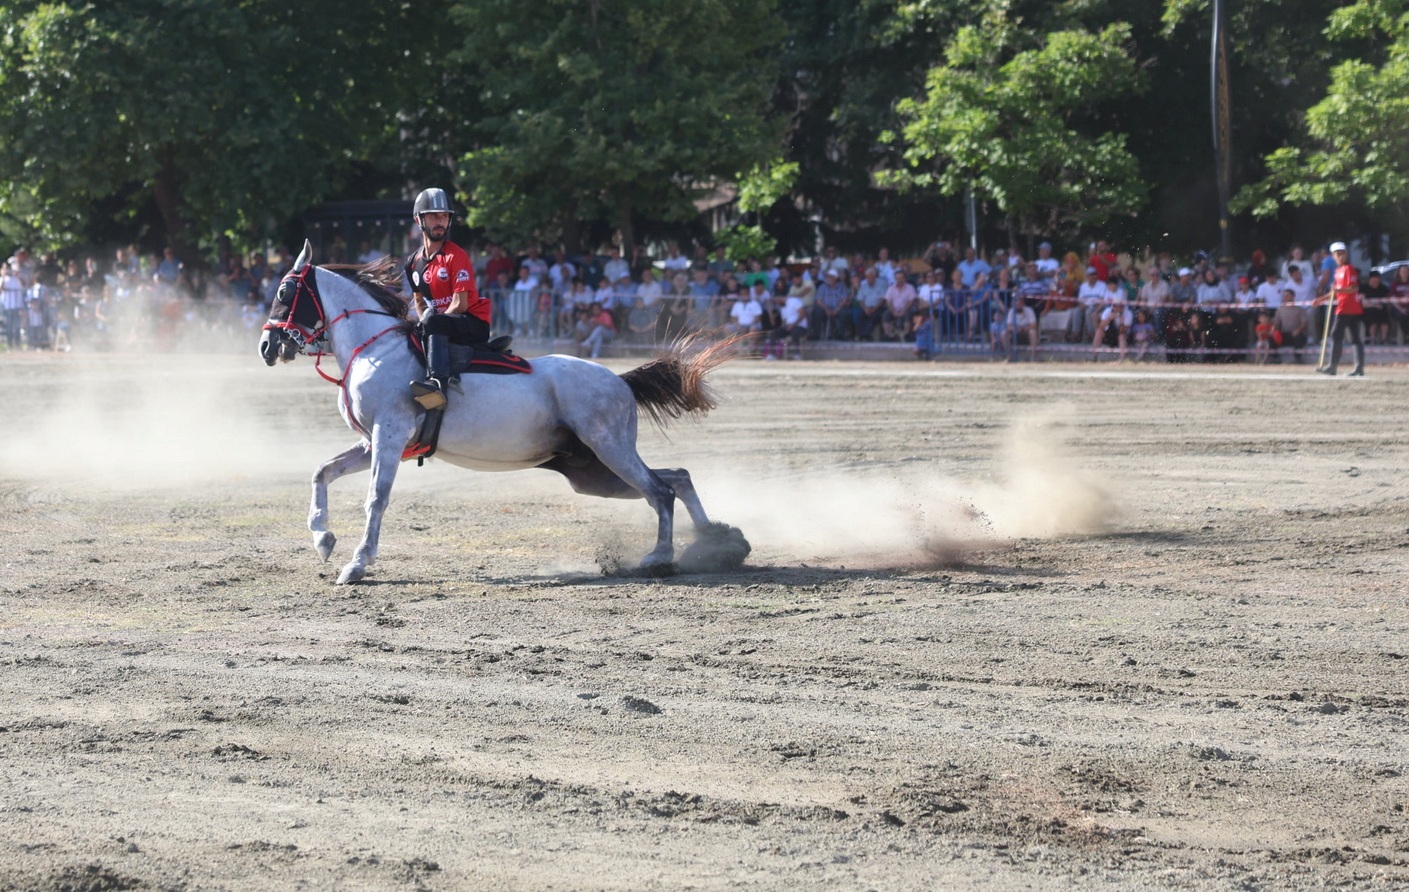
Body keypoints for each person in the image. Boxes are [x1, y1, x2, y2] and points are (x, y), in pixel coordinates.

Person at [404, 187, 492, 409]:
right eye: (434, 216)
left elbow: (460, 304)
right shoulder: (412, 263)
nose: (440, 221)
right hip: (442, 323)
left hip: (472, 321)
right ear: (419, 219)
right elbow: (419, 300)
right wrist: (423, 321)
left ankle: (438, 385)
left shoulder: (456, 256)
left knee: (431, 322)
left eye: (444, 216)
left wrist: (429, 322)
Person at [1316, 241, 1365, 377]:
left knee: (1336, 334)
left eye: (1342, 253)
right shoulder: (1337, 271)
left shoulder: (1349, 269)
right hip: (1346, 307)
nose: (1341, 256)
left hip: (1347, 308)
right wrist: (1321, 299)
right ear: (1333, 256)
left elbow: (1354, 288)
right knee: (1355, 337)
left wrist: (1339, 289)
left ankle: (1332, 366)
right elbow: (1335, 292)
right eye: (1338, 254)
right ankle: (1358, 368)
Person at [1361, 268, 1391, 345]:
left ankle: (1384, 340)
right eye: (1374, 279)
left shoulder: (1383, 288)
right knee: (1372, 316)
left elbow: (1388, 298)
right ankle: (1372, 339)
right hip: (1367, 310)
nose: (1376, 281)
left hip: (1381, 309)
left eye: (1378, 279)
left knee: (1385, 317)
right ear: (1370, 279)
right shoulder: (1364, 288)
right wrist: (1374, 305)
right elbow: (1362, 303)